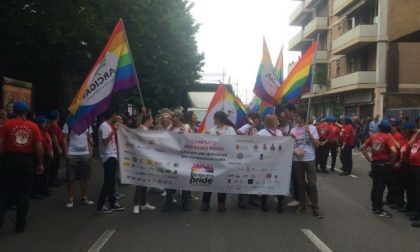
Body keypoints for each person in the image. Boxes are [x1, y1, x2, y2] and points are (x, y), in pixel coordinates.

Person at [0, 101, 44, 233]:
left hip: (9, 160)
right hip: (26, 162)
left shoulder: (6, 125)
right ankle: (20, 224)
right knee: (23, 194)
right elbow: (39, 148)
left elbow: (0, 144)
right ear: (26, 112)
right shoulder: (34, 126)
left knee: (3, 193)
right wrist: (40, 164)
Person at [360, 120, 397, 218]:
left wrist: (370, 160)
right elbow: (394, 151)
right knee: (380, 187)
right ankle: (379, 209)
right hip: (384, 165)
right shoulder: (387, 137)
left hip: (375, 164)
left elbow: (362, 148)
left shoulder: (374, 136)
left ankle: (374, 206)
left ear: (380, 127)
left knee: (375, 185)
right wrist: (391, 163)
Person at [201, 111, 236, 212]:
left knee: (221, 181)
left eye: (215, 118)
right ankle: (205, 202)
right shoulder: (212, 129)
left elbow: (232, 142)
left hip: (224, 160)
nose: (214, 120)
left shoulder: (230, 129)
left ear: (219, 118)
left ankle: (221, 203)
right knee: (208, 181)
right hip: (212, 159)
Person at [290, 111, 323, 219]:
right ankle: (302, 205)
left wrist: (309, 134)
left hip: (309, 159)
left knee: (312, 184)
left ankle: (315, 207)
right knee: (300, 184)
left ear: (302, 117)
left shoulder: (312, 128)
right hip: (297, 160)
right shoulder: (293, 130)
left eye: (297, 116)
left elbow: (317, 145)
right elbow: (290, 146)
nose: (295, 118)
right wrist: (296, 152)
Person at [96, 108, 125, 213]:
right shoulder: (104, 126)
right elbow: (104, 142)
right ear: (112, 115)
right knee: (108, 182)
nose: (116, 117)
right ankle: (100, 205)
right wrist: (113, 131)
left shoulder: (107, 126)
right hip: (108, 156)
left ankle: (112, 203)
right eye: (115, 115)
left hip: (112, 155)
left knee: (111, 182)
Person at [163, 111, 193, 211]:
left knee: (184, 181)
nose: (172, 118)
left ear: (179, 117)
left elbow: (191, 139)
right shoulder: (169, 128)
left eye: (174, 117)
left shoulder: (186, 127)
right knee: (170, 181)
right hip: (172, 158)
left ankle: (185, 204)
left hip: (184, 158)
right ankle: (168, 203)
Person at [62, 121, 95, 208]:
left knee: (84, 177)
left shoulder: (87, 123)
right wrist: (66, 153)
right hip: (72, 153)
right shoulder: (68, 124)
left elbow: (90, 137)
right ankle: (70, 198)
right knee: (71, 178)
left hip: (85, 153)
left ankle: (84, 197)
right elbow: (64, 139)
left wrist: (91, 151)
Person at [257, 115, 285, 213]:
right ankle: (264, 202)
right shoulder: (261, 133)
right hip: (267, 162)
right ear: (271, 122)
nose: (278, 121)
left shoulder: (279, 132)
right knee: (267, 181)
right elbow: (254, 144)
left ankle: (280, 203)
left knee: (280, 181)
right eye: (276, 120)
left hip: (279, 161)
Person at [133, 114, 156, 214]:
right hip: (141, 159)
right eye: (152, 119)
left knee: (145, 182)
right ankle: (136, 204)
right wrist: (142, 112)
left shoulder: (147, 130)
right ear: (148, 119)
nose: (153, 121)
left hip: (148, 159)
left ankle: (143, 203)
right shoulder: (141, 128)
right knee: (140, 182)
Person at [236, 113, 261, 207]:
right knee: (243, 177)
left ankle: (252, 198)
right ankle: (241, 199)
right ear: (252, 119)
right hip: (245, 156)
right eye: (257, 118)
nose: (258, 120)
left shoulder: (255, 129)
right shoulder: (247, 126)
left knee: (252, 178)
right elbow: (238, 133)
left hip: (253, 157)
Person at [396, 122, 416, 214]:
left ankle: (413, 208)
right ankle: (408, 206)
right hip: (403, 165)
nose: (402, 131)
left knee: (411, 188)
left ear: (409, 130)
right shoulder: (405, 139)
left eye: (404, 129)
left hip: (410, 165)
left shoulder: (414, 140)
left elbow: (408, 150)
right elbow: (402, 151)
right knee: (406, 187)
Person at [32, 115, 53, 198]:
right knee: (39, 175)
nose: (46, 124)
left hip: (45, 155)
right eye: (44, 123)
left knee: (44, 174)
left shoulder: (44, 132)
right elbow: (42, 145)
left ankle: (43, 189)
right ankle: (37, 191)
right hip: (40, 155)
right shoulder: (39, 132)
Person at [48, 110, 64, 187]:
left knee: (55, 164)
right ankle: (53, 181)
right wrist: (58, 148)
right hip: (55, 147)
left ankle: (53, 180)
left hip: (55, 146)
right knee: (54, 164)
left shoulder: (53, 124)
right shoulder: (53, 125)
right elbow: (54, 137)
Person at [408, 128, 420, 227]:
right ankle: (417, 212)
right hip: (415, 167)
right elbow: (409, 145)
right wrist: (417, 134)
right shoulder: (417, 138)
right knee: (416, 191)